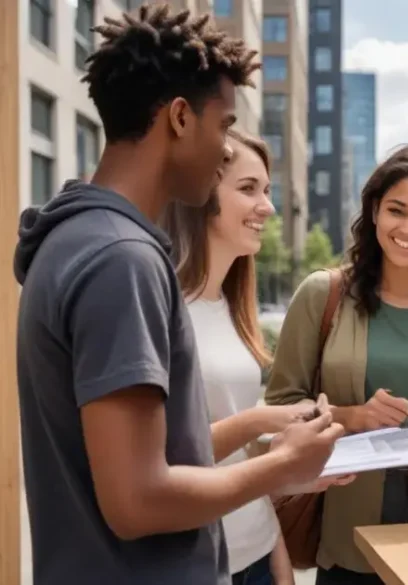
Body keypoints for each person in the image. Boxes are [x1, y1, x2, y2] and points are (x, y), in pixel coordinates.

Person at [13, 6, 344, 585]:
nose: (224, 150)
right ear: (181, 118)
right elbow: (138, 501)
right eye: (223, 127)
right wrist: (283, 466)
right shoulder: (122, 260)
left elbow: (151, 464)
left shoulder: (77, 240)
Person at [264, 145, 408, 585]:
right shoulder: (323, 294)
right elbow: (279, 412)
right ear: (374, 211)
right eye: (397, 210)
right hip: (349, 527)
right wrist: (353, 416)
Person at [162, 128, 356, 585]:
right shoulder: (162, 304)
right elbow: (163, 461)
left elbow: (241, 464)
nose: (266, 207)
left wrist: (297, 476)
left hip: (258, 550)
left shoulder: (230, 307)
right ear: (200, 193)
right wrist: (266, 421)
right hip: (197, 563)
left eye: (266, 190)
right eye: (248, 189)